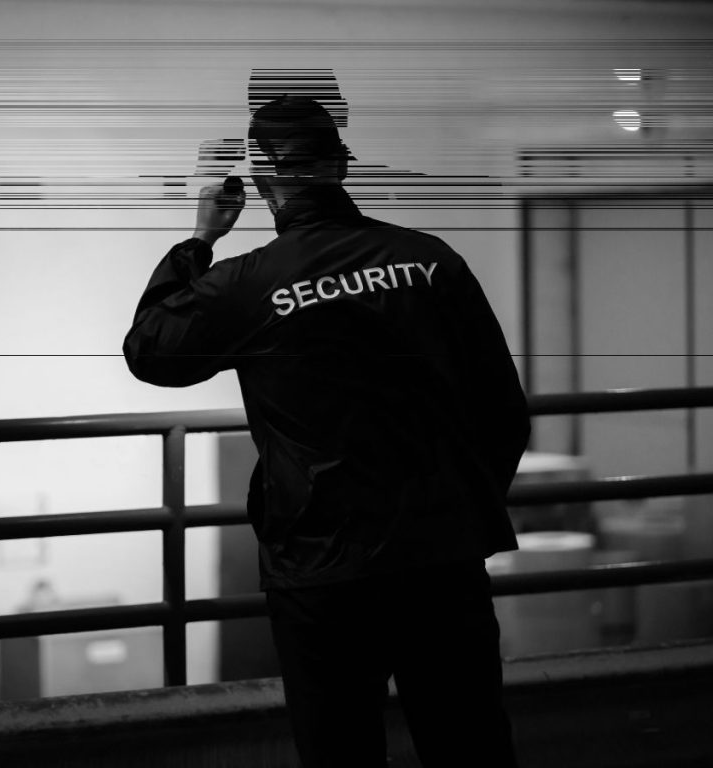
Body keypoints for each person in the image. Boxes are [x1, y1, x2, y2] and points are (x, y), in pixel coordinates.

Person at [123, 94, 530, 768]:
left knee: (340, 756)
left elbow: (149, 351)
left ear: (261, 180)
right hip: (441, 561)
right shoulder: (432, 261)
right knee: (471, 751)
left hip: (322, 574)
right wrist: (457, 513)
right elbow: (504, 411)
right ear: (341, 165)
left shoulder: (248, 284)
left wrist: (200, 239)